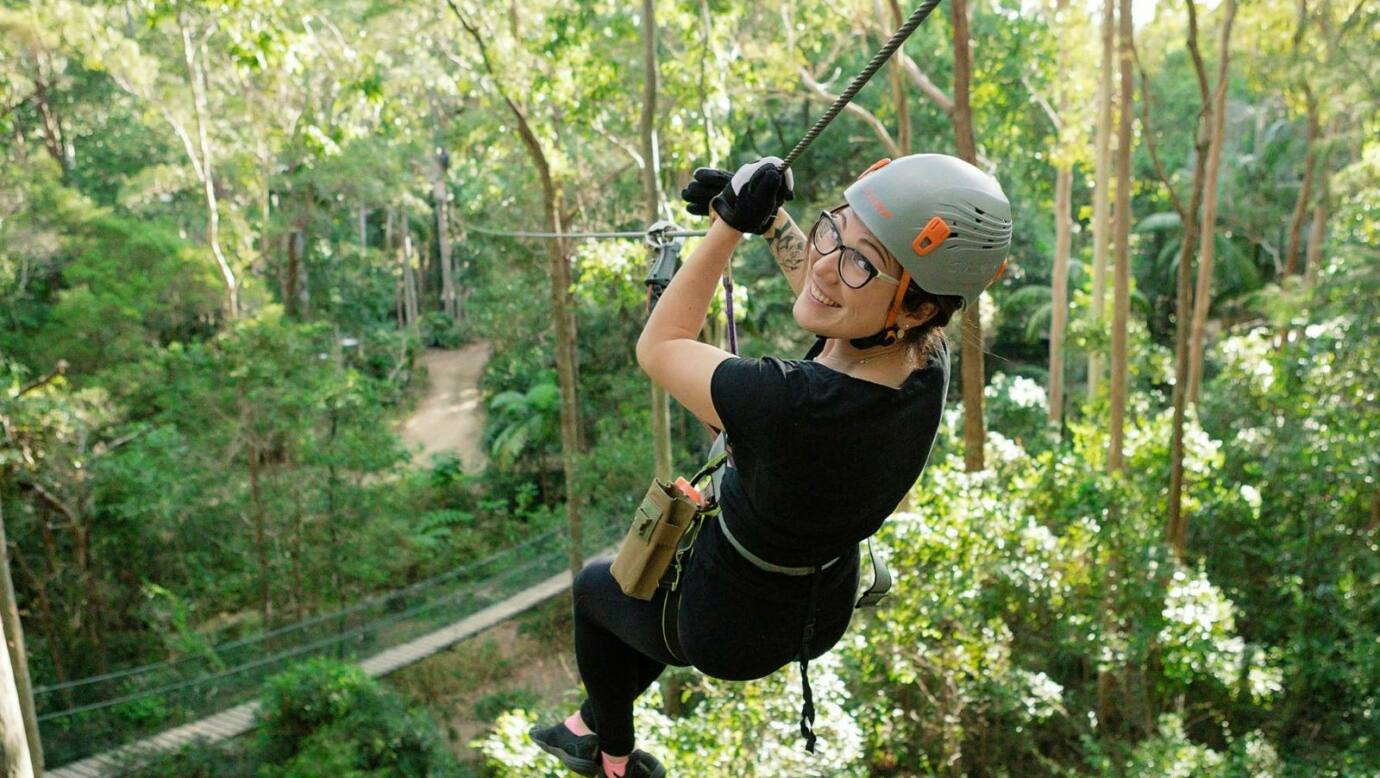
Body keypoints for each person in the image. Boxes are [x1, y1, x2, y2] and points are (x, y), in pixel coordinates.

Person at [529, 154, 1012, 777]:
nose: (825, 264)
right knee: (642, 616)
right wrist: (771, 222)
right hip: (820, 601)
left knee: (596, 595)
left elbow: (660, 346)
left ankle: (612, 760)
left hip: (728, 623)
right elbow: (835, 298)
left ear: (917, 309)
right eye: (834, 229)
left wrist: (728, 226)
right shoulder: (925, 359)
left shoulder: (790, 404)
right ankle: (587, 722)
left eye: (862, 262)